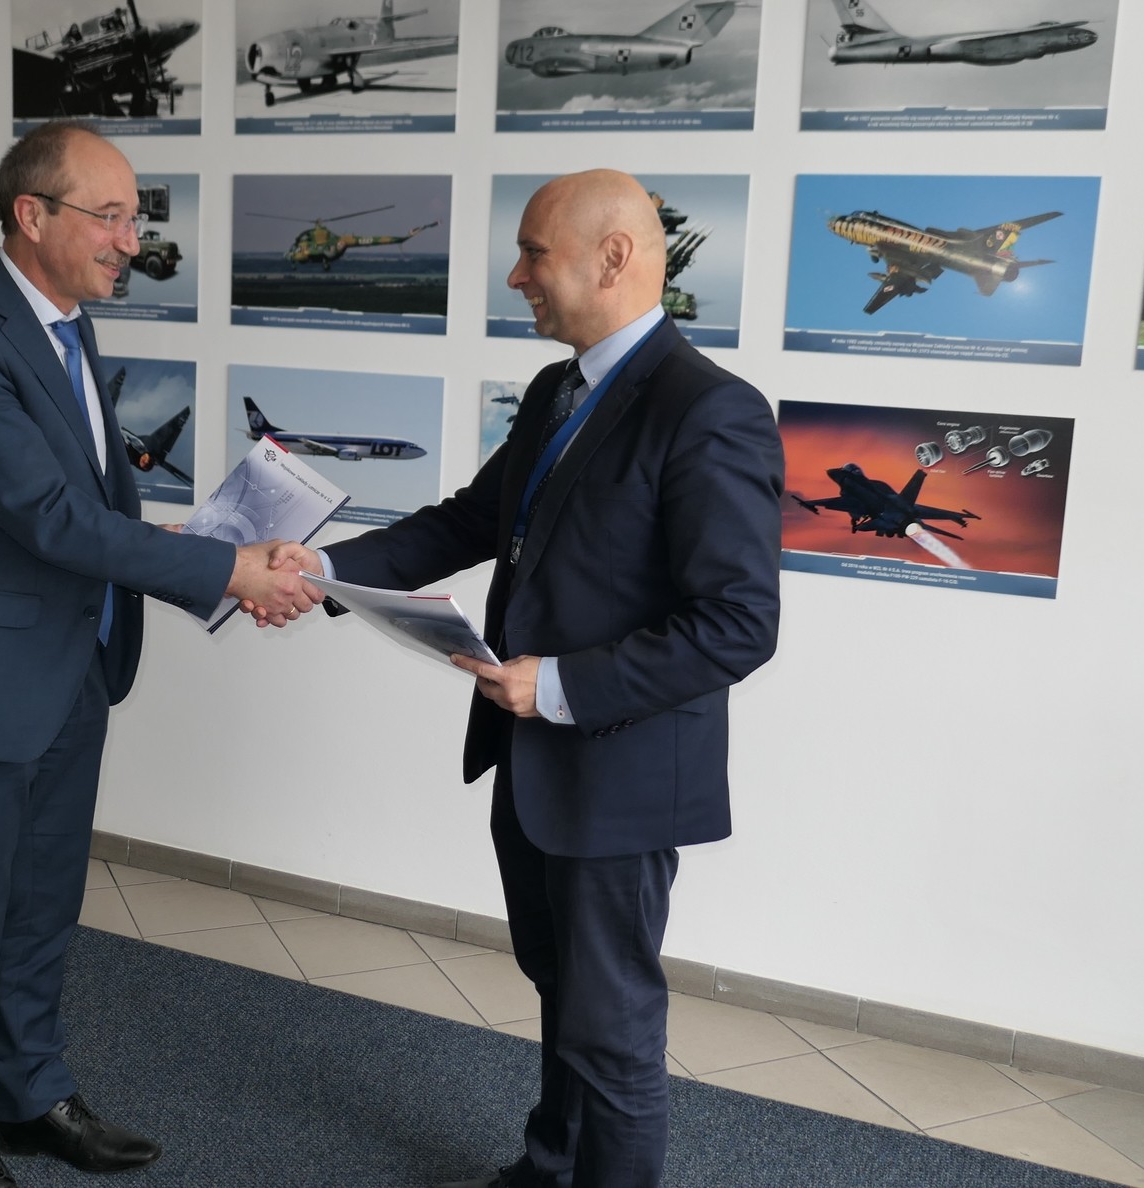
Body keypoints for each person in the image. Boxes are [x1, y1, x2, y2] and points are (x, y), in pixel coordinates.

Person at [273, 170, 783, 1187]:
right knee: (562, 988)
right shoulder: (559, 390)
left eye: (533, 254)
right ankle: (552, 1166)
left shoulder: (710, 411)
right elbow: (471, 521)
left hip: (617, 774)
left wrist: (557, 686)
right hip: (535, 764)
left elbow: (738, 624)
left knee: (613, 1030)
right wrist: (319, 569)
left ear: (614, 257)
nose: (516, 277)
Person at [0, 120, 316, 1188]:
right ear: (31, 216)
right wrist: (227, 574)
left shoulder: (71, 326)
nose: (131, 239)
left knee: (40, 911)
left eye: (133, 217)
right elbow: (50, 519)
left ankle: (31, 1096)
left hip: (74, 667)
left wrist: (225, 554)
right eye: (109, 216)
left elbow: (89, 508)